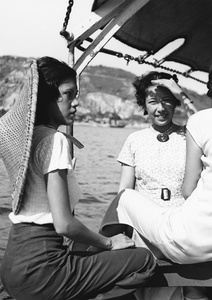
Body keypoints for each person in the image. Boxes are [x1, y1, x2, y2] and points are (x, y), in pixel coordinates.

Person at [0, 57, 156, 300]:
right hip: (42, 270)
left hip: (13, 266)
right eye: (69, 94)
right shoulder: (55, 140)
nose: (76, 103)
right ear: (47, 97)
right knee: (144, 260)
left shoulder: (30, 142)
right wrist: (109, 243)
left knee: (87, 249)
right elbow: (64, 225)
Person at [100, 71, 209, 300]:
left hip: (183, 226)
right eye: (153, 101)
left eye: (167, 100)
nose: (161, 108)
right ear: (144, 105)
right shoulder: (134, 140)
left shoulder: (191, 134)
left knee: (195, 293)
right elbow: (124, 192)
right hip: (146, 231)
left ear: (176, 102)